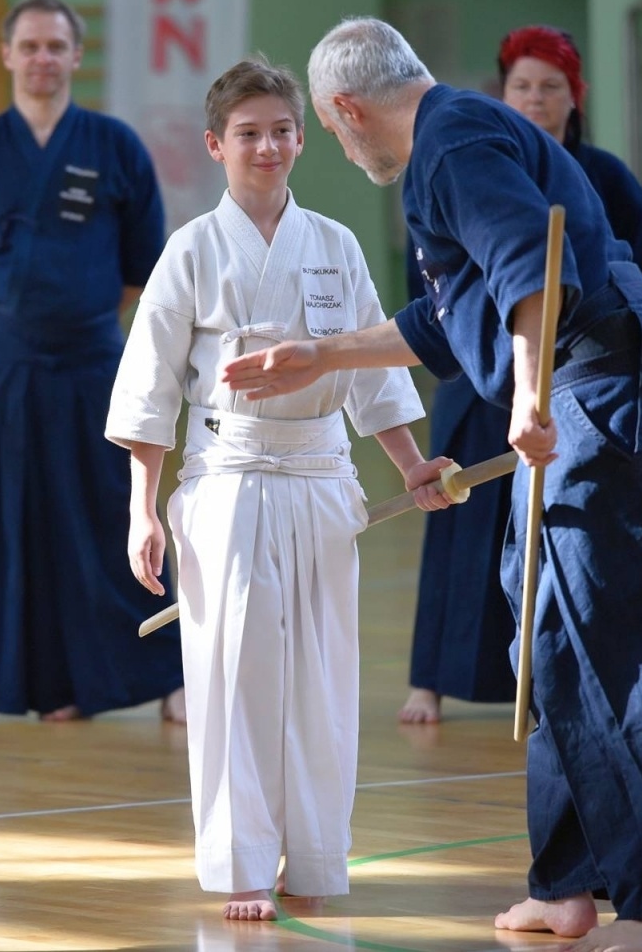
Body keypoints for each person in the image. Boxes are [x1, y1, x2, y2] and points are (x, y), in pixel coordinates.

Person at [223, 17, 642, 950]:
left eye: (329, 131)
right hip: (607, 368)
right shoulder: (460, 133)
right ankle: (567, 882)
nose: (344, 148)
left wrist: (529, 386)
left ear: (345, 110)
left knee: (617, 633)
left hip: (603, 379)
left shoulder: (450, 141)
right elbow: (446, 316)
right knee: (552, 631)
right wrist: (324, 354)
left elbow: (525, 267)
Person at [106, 58, 455, 921]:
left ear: (303, 139)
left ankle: (318, 856)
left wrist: (410, 464)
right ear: (216, 145)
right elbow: (149, 390)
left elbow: (374, 372)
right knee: (233, 676)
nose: (266, 146)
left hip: (323, 479)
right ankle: (242, 864)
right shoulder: (190, 250)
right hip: (226, 481)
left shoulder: (335, 244)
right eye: (248, 133)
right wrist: (141, 507)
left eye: (281, 130)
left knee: (325, 677)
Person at [0, 0, 185, 722]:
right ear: (7, 55)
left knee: (117, 514)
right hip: (5, 371)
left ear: (78, 57)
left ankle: (162, 676)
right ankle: (47, 687)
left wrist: (77, 323)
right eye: (30, 45)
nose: (43, 58)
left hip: (95, 365)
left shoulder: (115, 148)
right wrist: (29, 328)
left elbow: (145, 265)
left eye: (56, 46)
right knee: (16, 521)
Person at [400, 25, 642, 724]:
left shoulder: (599, 176)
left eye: (550, 87)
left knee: (567, 534)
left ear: (577, 97)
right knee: (463, 527)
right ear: (501, 92)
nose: (535, 99)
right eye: (522, 86)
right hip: (479, 380)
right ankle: (436, 678)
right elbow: (433, 298)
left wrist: (536, 388)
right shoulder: (455, 158)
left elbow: (625, 271)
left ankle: (561, 679)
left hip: (567, 380)